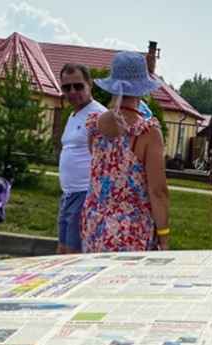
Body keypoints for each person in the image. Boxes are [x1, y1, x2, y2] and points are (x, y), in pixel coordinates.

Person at [81, 51, 169, 253]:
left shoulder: (95, 125)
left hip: (94, 224)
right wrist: (164, 236)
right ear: (142, 90)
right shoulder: (147, 132)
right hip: (130, 231)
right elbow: (158, 191)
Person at [56, 63, 106, 254]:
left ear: (89, 84)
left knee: (72, 255)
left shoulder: (99, 115)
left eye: (78, 86)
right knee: (62, 250)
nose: (72, 92)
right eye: (66, 87)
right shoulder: (73, 115)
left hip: (85, 194)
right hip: (68, 194)